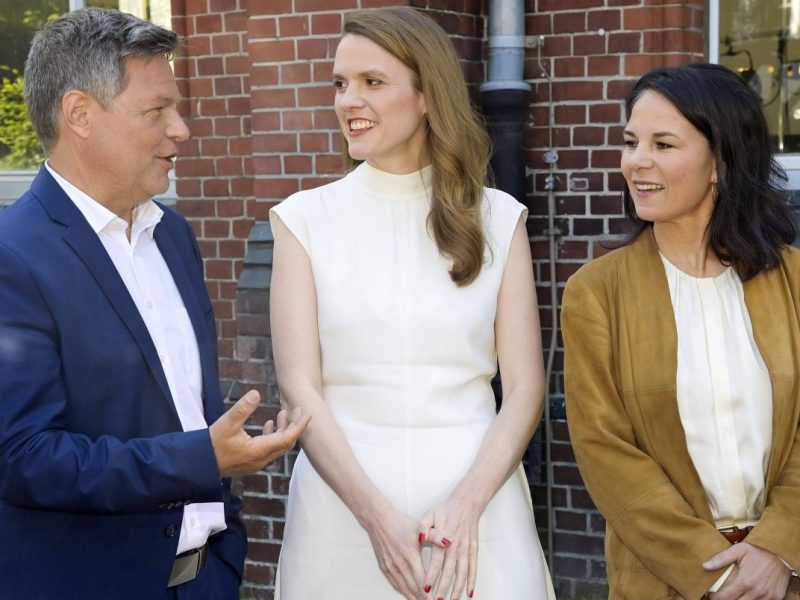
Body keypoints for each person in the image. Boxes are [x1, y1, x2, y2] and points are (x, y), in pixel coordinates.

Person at [0, 8, 309, 600]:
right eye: (156, 110)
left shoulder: (173, 235)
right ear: (80, 115)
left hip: (206, 580)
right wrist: (203, 458)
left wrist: (225, 553)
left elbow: (188, 404)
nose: (181, 129)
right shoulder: (14, 258)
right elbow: (25, 457)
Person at [268, 6, 555, 600]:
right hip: (341, 514)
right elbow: (300, 387)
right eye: (340, 84)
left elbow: (525, 388)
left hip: (478, 511)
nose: (350, 100)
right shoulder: (304, 220)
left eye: (373, 82)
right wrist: (376, 519)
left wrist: (466, 507)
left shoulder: (499, 219)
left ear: (428, 94)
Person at [562, 62, 800, 600]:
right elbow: (605, 452)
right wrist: (715, 573)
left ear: (720, 161)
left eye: (663, 144)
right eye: (630, 142)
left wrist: (778, 547)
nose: (636, 162)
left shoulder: (795, 281)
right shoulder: (595, 292)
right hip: (662, 580)